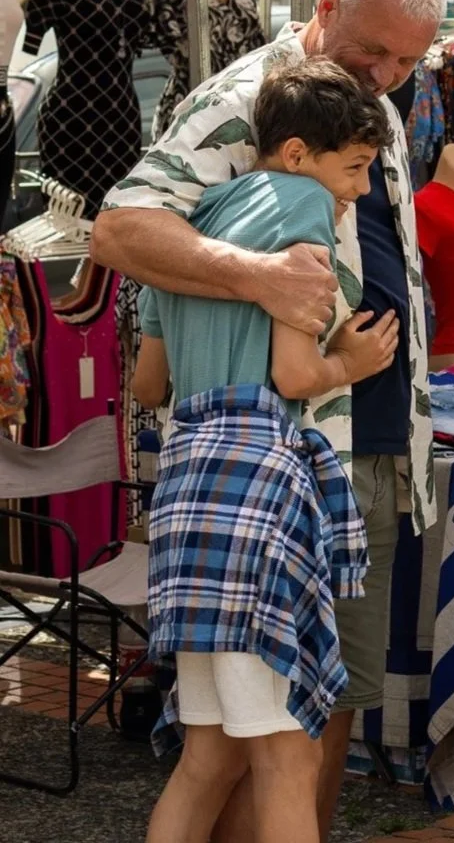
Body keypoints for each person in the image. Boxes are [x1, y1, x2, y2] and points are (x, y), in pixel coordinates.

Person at [93, 0, 446, 843]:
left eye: (411, 60)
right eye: (377, 52)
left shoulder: (373, 107)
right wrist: (262, 278)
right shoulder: (243, 102)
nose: (392, 74)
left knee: (301, 720)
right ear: (325, 2)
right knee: (285, 734)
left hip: (346, 452)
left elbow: (152, 370)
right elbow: (122, 229)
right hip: (287, 464)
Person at [135, 59, 400, 843]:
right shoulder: (303, 205)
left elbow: (151, 383)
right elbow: (292, 372)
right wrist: (350, 365)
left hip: (185, 491)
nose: (356, 189)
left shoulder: (182, 228)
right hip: (257, 486)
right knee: (288, 761)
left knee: (206, 758)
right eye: (352, 168)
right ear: (294, 153)